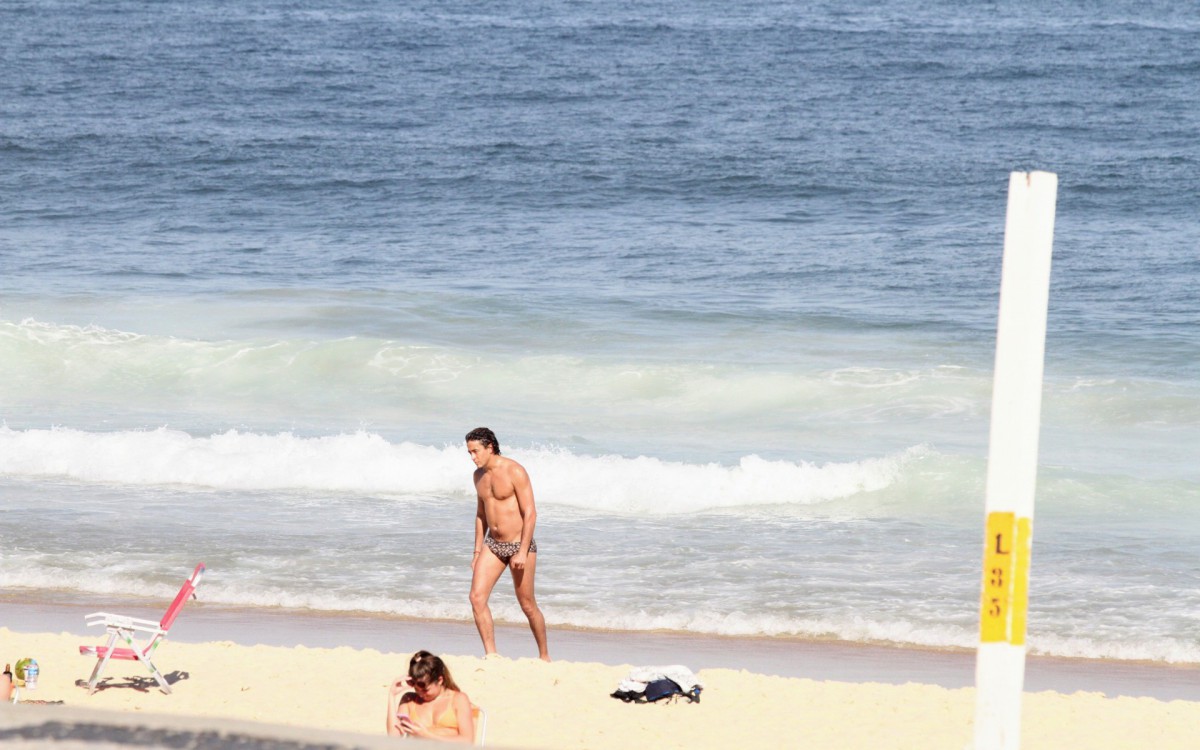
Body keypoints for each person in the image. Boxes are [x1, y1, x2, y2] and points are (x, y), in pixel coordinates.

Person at [465, 427, 550, 661]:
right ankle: (491, 655)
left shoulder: (514, 471)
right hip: (493, 545)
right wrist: (476, 552)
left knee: (527, 604)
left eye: (475, 451)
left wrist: (522, 551)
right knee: (476, 598)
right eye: (469, 452)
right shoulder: (478, 476)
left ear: (490, 447)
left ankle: (544, 656)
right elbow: (481, 515)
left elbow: (530, 513)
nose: (472, 457)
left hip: (519, 545)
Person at [386, 650, 475, 742]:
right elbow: (394, 736)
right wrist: (392, 695)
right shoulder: (409, 700)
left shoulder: (458, 699)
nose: (420, 694)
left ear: (440, 680)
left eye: (425, 690)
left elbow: (467, 740)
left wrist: (426, 736)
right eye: (416, 689)